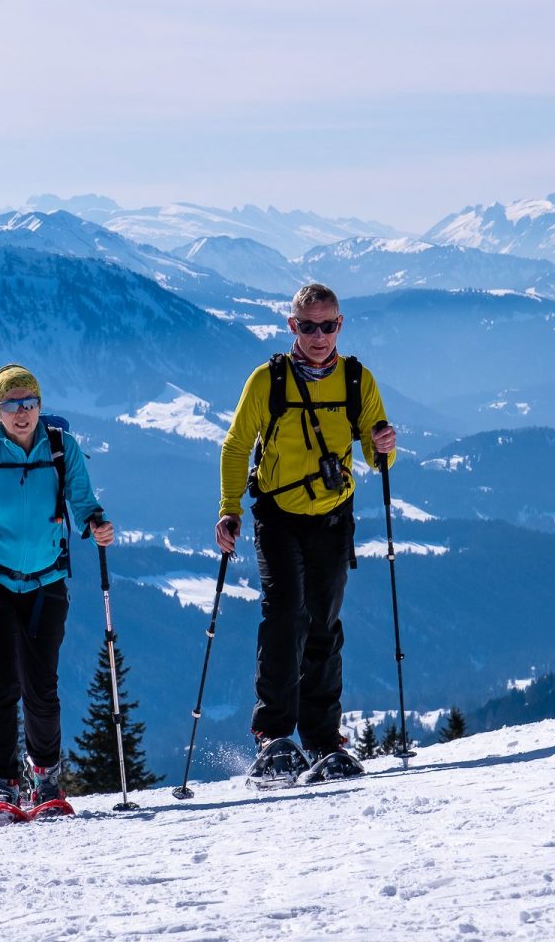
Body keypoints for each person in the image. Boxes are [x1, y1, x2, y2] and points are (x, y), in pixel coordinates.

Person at [216, 283, 397, 779]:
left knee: (323, 623)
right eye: (309, 326)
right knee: (284, 616)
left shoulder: (357, 380)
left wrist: (384, 445)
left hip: (333, 518)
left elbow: (375, 453)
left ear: (341, 324)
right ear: (291, 326)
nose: (319, 336)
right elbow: (236, 447)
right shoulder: (267, 380)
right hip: (276, 516)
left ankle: (321, 740)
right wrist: (229, 509)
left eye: (329, 325)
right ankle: (273, 735)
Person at [0, 364, 114, 816]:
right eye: (12, 405)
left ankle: (45, 777)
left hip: (47, 581)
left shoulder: (61, 448)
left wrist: (96, 523)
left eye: (29, 403)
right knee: (1, 681)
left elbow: (82, 498)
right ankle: (2, 781)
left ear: (39, 406)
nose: (22, 413)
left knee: (42, 685)